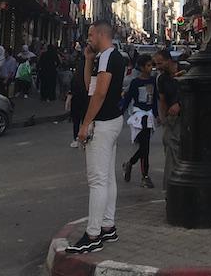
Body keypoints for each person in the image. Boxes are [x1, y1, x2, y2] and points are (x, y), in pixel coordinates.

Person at [66, 20, 126, 255]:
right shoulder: (107, 57)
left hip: (102, 124)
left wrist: (85, 124)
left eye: (91, 34)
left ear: (101, 34)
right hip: (112, 121)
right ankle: (107, 226)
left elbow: (99, 94)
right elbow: (89, 87)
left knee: (97, 181)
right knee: (107, 178)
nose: (88, 38)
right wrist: (89, 59)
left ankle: (92, 236)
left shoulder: (109, 58)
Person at [120, 54, 158, 188]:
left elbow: (155, 99)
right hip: (139, 116)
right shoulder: (135, 82)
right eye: (148, 65)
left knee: (144, 147)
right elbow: (128, 99)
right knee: (144, 147)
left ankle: (130, 163)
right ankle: (144, 176)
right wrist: (120, 112)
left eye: (151, 65)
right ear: (141, 67)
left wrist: (157, 115)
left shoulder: (153, 81)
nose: (150, 68)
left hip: (149, 116)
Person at [153, 49, 181, 191]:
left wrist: (180, 104)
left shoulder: (184, 71)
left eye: (160, 63)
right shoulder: (161, 79)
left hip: (185, 118)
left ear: (169, 60)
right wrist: (164, 119)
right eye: (156, 64)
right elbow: (162, 100)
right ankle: (171, 187)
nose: (158, 67)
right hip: (172, 120)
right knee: (170, 148)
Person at [68, 50, 89, 148]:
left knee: (76, 120)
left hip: (76, 97)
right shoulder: (90, 67)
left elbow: (73, 82)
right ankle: (84, 139)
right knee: (85, 120)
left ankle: (76, 138)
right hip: (86, 97)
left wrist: (70, 94)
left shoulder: (78, 68)